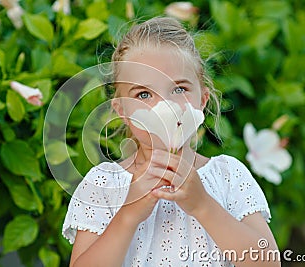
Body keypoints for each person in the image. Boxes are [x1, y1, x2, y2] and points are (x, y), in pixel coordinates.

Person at [62, 17, 280, 267]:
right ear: (121, 110)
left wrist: (204, 206)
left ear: (202, 99)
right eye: (143, 94)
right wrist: (128, 216)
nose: (163, 106)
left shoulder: (228, 177)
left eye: (178, 89)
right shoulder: (104, 185)